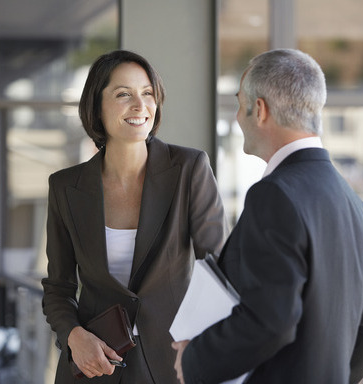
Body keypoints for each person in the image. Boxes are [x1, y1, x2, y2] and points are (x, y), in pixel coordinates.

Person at [172, 49, 363, 384]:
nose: (238, 116)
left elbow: (272, 321)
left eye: (241, 103)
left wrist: (193, 360)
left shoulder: (274, 195)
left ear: (261, 109)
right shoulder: (351, 202)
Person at [41, 50, 228, 384]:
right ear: (96, 106)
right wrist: (73, 336)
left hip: (175, 364)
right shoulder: (65, 187)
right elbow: (59, 287)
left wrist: (204, 344)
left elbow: (217, 270)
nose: (140, 106)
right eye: (123, 94)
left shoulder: (189, 169)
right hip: (93, 365)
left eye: (148, 94)